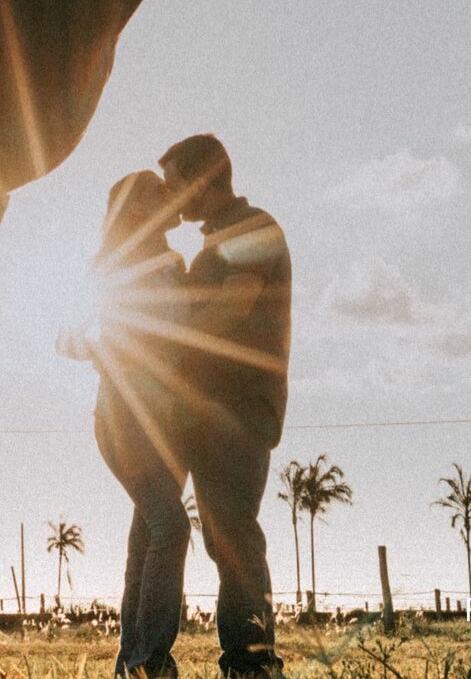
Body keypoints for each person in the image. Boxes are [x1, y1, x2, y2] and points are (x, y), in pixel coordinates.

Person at [160, 133, 290, 678]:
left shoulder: (253, 229)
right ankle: (244, 658)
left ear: (201, 180)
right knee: (222, 537)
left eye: (174, 184)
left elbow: (233, 308)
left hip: (238, 410)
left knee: (232, 534)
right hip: (212, 410)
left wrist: (164, 343)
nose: (170, 198)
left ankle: (252, 662)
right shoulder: (216, 242)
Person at [58, 169, 198, 679]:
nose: (175, 198)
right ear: (146, 210)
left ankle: (131, 663)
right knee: (171, 527)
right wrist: (107, 348)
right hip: (126, 422)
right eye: (164, 195)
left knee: (148, 539)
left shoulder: (169, 263)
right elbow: (74, 340)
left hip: (165, 425)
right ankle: (149, 660)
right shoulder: (127, 269)